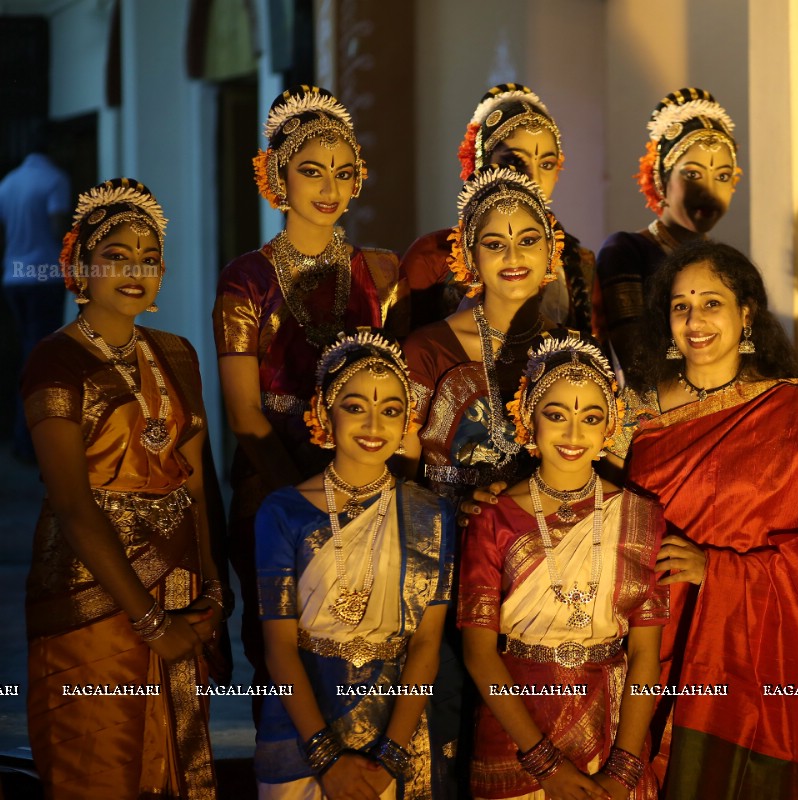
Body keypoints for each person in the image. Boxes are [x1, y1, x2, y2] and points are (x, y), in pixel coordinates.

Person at [620, 239, 798, 798]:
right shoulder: (632, 411)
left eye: (712, 303)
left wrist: (718, 571)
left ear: (746, 314)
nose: (695, 321)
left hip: (751, 659)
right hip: (647, 641)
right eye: (680, 306)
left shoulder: (788, 410)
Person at [22, 178, 222, 798]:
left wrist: (213, 591)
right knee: (99, 765)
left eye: (148, 256)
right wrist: (151, 620)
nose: (136, 269)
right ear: (80, 265)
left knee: (171, 769)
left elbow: (196, 488)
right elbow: (75, 506)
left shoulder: (178, 354)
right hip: (94, 597)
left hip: (182, 591)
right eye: (116, 254)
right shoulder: (55, 362)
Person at [213, 85, 407, 714]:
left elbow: (398, 388)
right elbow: (244, 413)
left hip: (367, 486)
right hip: (274, 490)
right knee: (283, 650)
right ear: (277, 175)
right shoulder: (247, 277)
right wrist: (307, 504)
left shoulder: (381, 273)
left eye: (344, 172)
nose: (330, 187)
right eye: (311, 171)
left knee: (369, 653)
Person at [403, 165, 563, 795]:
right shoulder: (426, 348)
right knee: (447, 717)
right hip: (444, 557)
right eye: (494, 243)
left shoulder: (568, 349)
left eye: (527, 239)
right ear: (468, 255)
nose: (513, 256)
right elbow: (393, 457)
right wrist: (453, 494)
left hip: (537, 567)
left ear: (549, 250)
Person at [460, 333, 667, 800]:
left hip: (613, 732)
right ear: (527, 420)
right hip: (515, 733)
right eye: (556, 415)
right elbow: (478, 653)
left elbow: (645, 656)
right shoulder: (492, 518)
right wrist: (544, 765)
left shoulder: (641, 516)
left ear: (609, 429)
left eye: (590, 417)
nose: (574, 434)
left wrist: (625, 768)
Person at [255, 329, 453, 798]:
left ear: (407, 422)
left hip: (394, 729)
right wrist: (326, 758)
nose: (373, 425)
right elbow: (278, 649)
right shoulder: (283, 511)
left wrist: (390, 755)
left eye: (390, 411)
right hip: (298, 731)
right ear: (325, 411)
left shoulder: (430, 513)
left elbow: (426, 644)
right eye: (355, 406)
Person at [401, 83, 594, 332]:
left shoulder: (580, 263)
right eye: (513, 161)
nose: (531, 178)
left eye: (546, 164)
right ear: (481, 164)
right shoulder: (431, 257)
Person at [594, 88, 739, 377]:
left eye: (722, 176)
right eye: (693, 174)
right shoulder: (626, 251)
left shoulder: (728, 264)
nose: (709, 191)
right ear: (661, 180)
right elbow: (636, 360)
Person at [0, 128, 71, 461]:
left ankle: (21, 438)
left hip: (13, 276)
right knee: (42, 359)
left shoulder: (9, 182)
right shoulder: (55, 179)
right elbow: (58, 228)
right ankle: (33, 443)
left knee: (28, 355)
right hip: (44, 275)